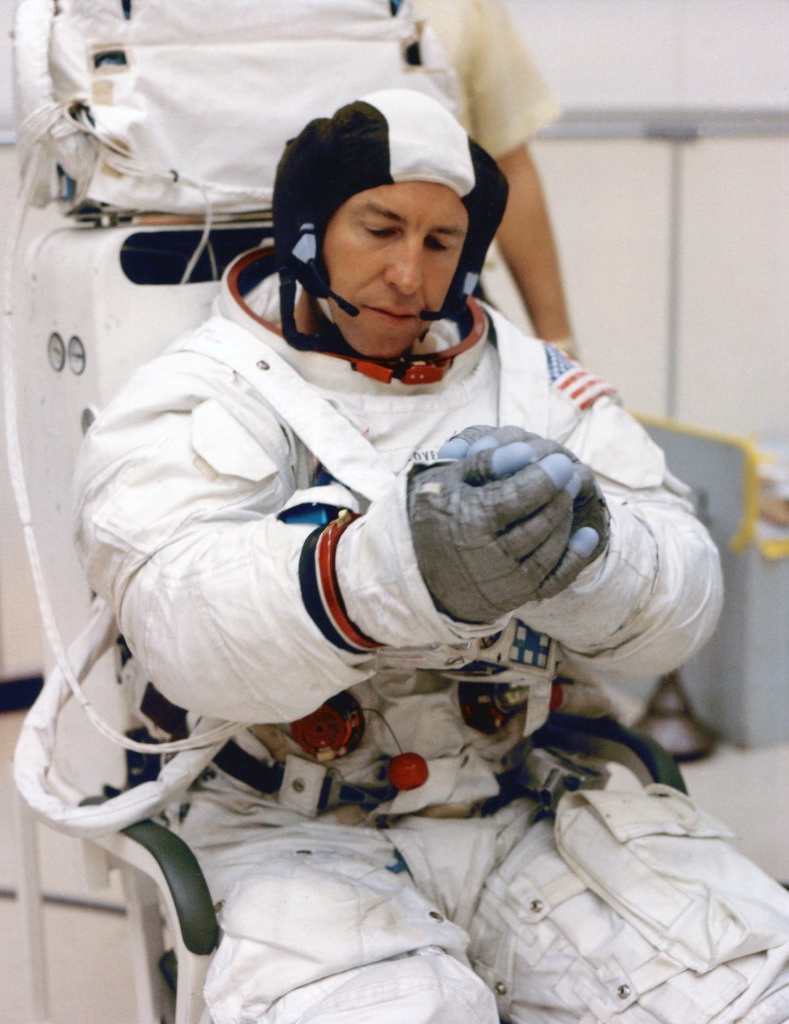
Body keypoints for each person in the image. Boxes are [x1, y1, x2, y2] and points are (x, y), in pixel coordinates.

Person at [72, 90, 789, 1023]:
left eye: (440, 242)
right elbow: (179, 620)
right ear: (307, 229)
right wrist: (393, 573)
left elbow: (681, 602)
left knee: (744, 995)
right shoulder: (197, 396)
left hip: (519, 804)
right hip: (288, 831)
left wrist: (588, 563)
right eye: (379, 228)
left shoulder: (538, 386)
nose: (408, 276)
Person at [413, 0, 575, 351]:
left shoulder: (464, 7)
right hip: (289, 288)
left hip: (448, 292)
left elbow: (507, 163)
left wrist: (558, 345)